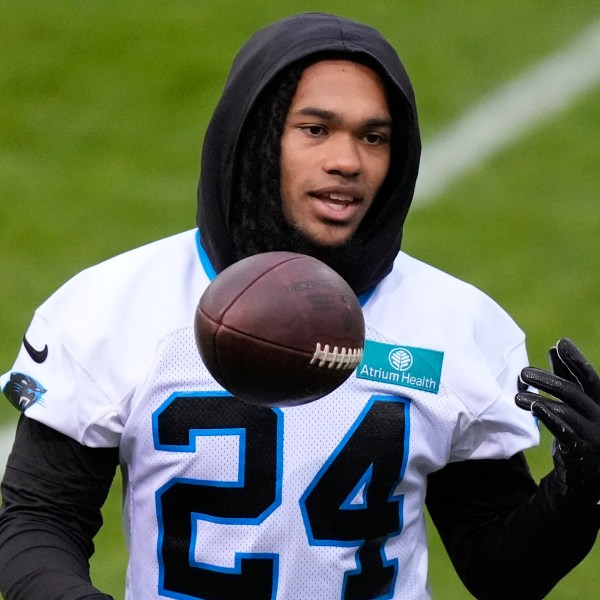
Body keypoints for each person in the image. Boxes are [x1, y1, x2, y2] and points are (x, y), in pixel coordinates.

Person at [0, 12, 599, 600]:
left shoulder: (456, 324)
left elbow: (501, 571)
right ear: (257, 136)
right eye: (316, 129)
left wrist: (580, 492)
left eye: (374, 136)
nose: (348, 160)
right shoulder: (113, 305)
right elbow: (38, 519)